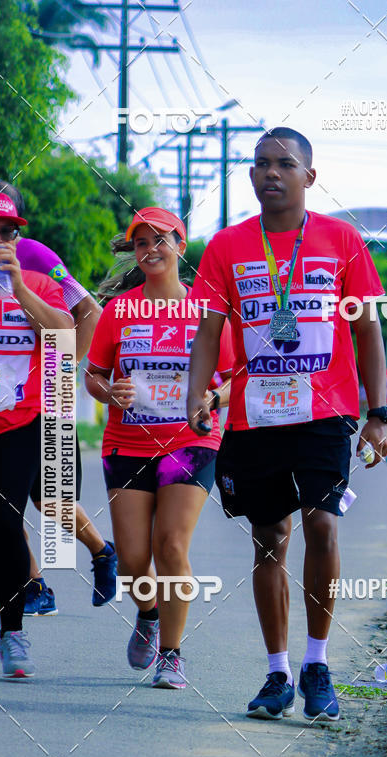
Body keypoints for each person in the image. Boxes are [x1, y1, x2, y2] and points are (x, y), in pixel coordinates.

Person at [186, 127, 387, 722]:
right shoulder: (226, 246)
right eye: (260, 164)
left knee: (323, 526)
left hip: (325, 412)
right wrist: (198, 394)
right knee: (270, 537)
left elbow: (368, 328)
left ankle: (317, 662)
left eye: (284, 164)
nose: (270, 173)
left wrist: (378, 413)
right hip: (255, 418)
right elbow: (208, 332)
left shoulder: (341, 239)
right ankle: (276, 673)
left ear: (309, 176)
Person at [86, 207, 233, 688]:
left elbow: (235, 379)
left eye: (160, 240)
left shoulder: (206, 311)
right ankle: (148, 613)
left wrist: (211, 396)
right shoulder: (120, 310)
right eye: (141, 242)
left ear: (181, 247)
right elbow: (95, 376)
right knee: (131, 560)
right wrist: (110, 394)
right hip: (126, 444)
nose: (151, 250)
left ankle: (172, 653)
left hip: (190, 443)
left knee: (170, 544)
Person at [0, 179, 117, 616]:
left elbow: (87, 310)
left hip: (43, 394)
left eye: (7, 228)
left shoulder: (34, 257)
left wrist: (66, 371)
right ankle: (33, 585)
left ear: (17, 229)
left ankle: (101, 550)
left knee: (48, 498)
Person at [0, 191, 73, 677]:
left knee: (4, 522)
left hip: (18, 423)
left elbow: (64, 335)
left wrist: (18, 291)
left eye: (6, 232)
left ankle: (14, 632)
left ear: (18, 237)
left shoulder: (36, 283)